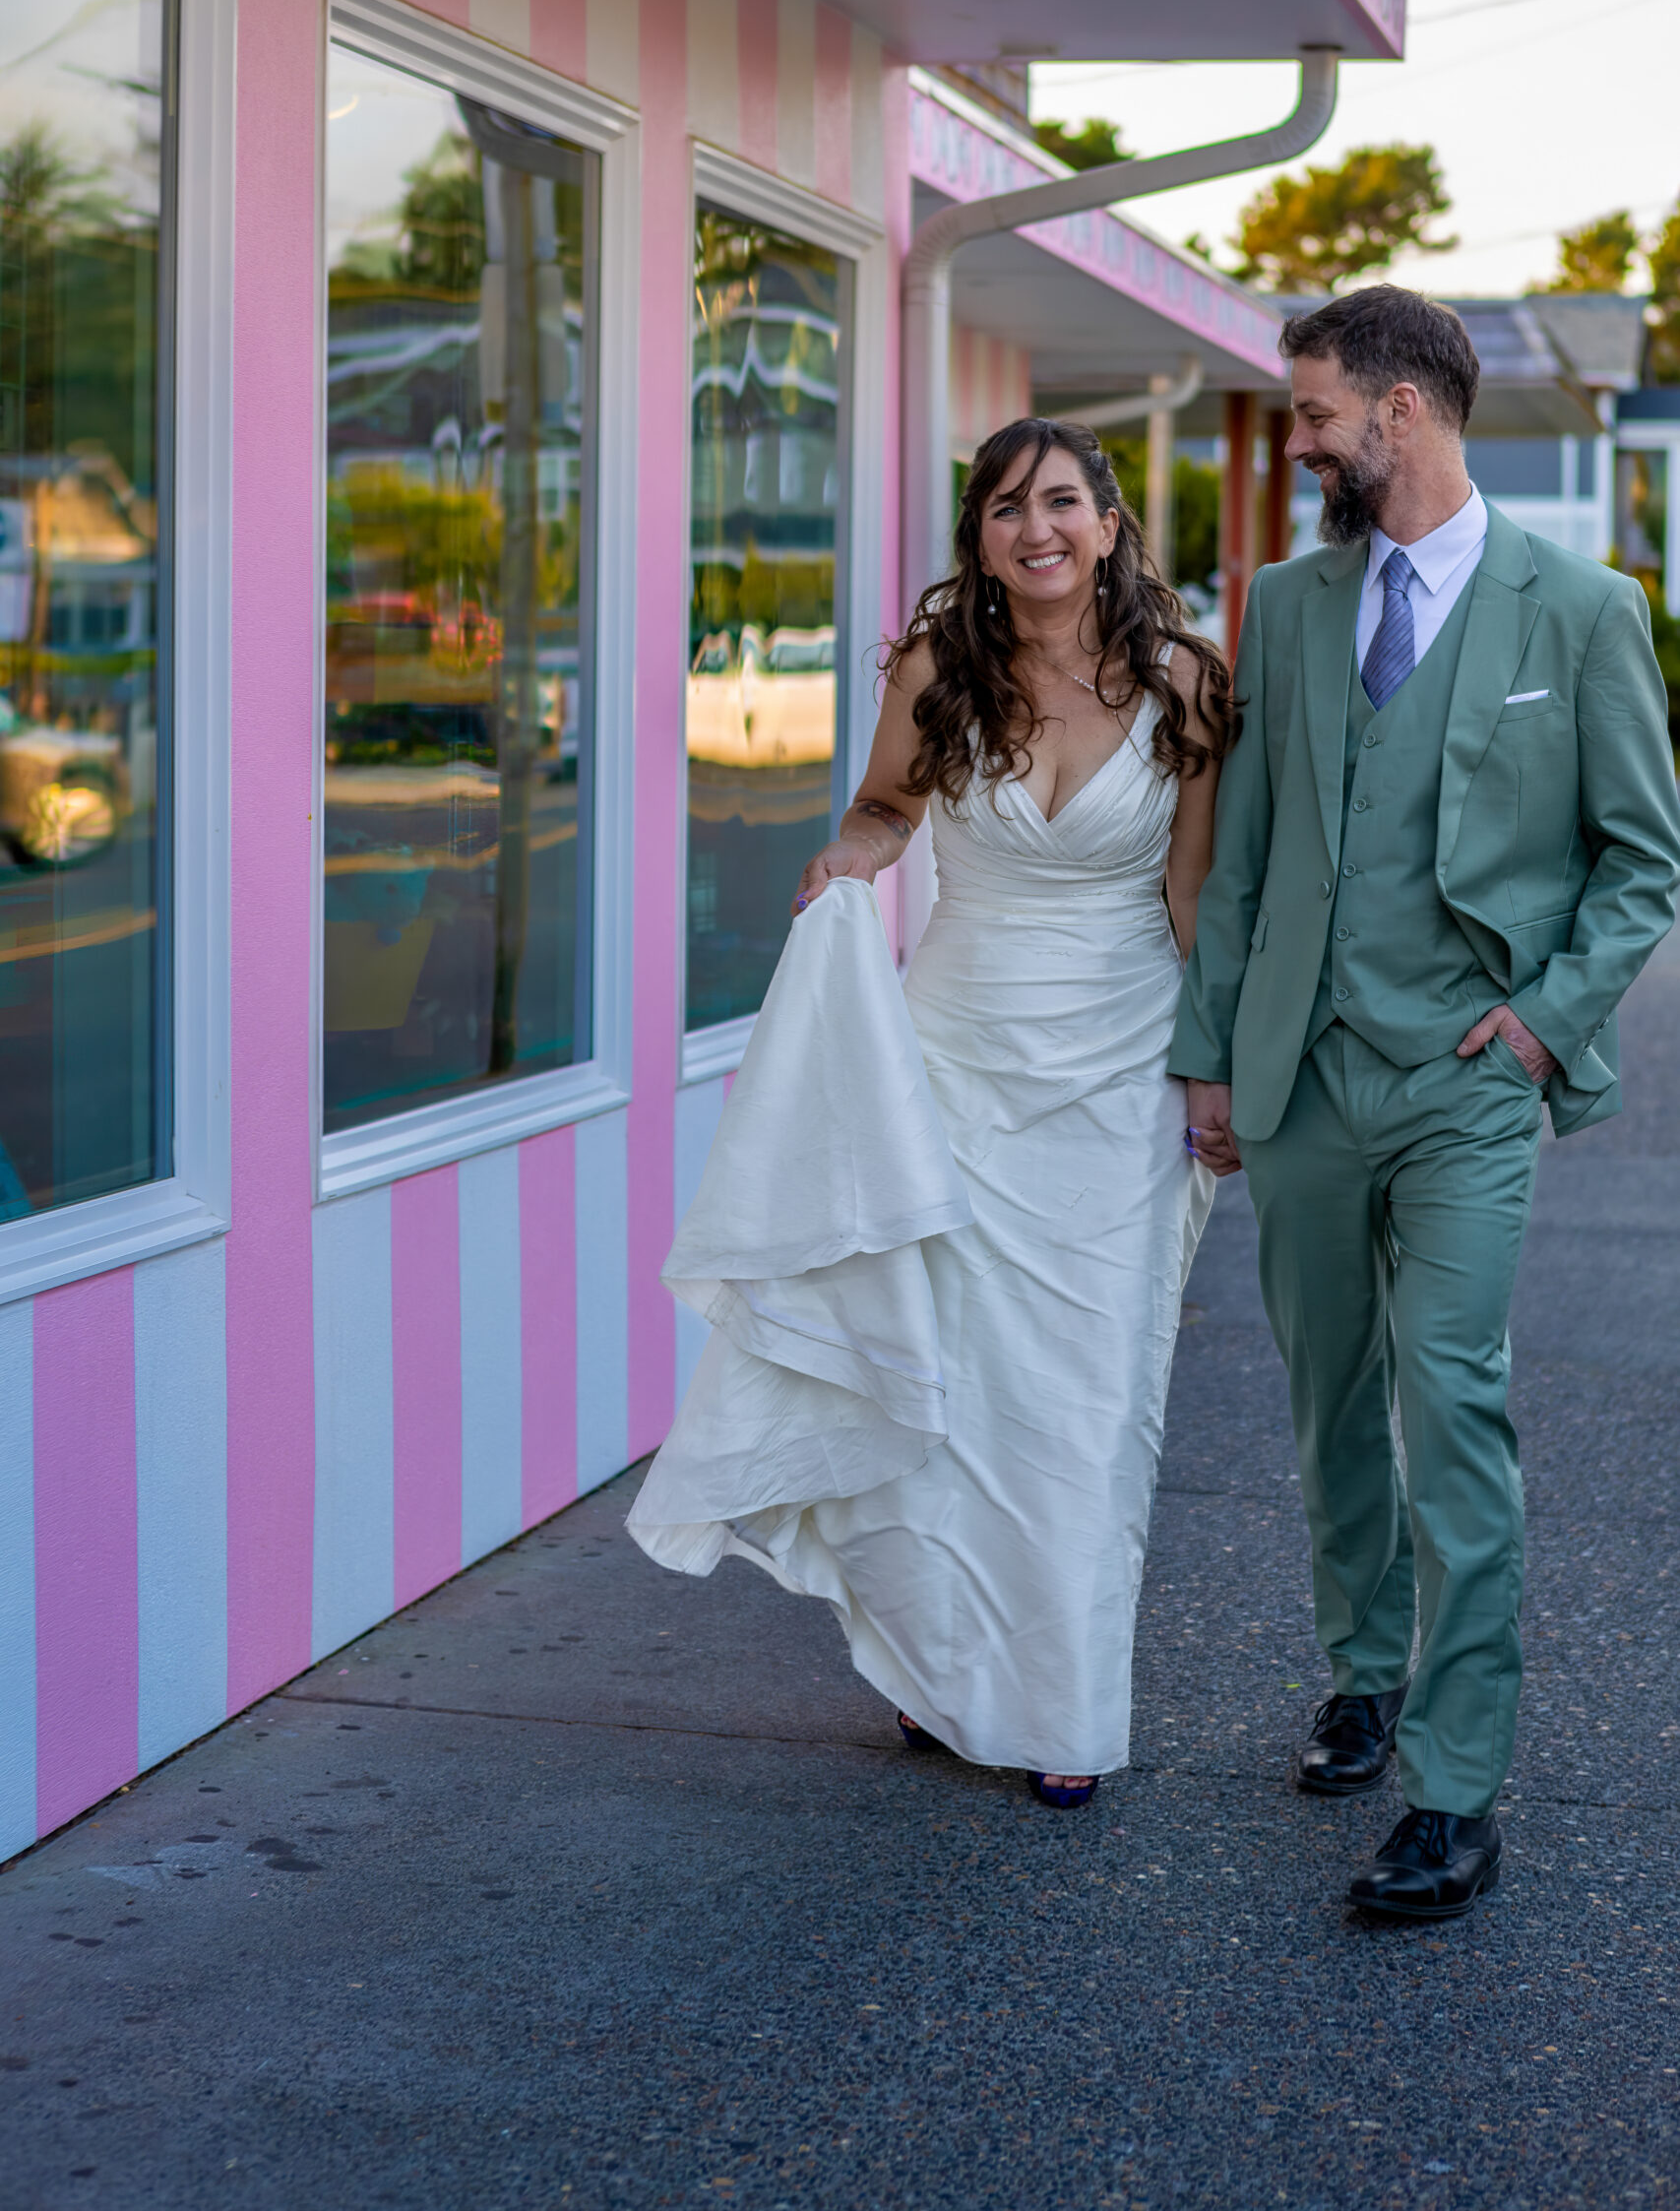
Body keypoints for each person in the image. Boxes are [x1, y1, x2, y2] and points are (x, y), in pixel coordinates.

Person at [630, 418, 1233, 1805]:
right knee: (952, 1390)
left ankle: (1061, 1703)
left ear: (1108, 518)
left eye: (1063, 502)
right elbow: (884, 810)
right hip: (954, 1062)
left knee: (1086, 1400)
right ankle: (937, 1667)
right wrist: (845, 863)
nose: (1038, 528)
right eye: (1008, 506)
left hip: (1120, 1070)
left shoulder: (1187, 679)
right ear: (978, 532)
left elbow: (1192, 892)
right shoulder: (937, 666)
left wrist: (1217, 1065)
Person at [1171, 285, 1680, 1917]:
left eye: (1315, 412)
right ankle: (1364, 1673)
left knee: (1451, 1408)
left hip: (1468, 1084)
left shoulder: (1582, 610)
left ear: (1401, 410)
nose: (1299, 437)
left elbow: (1642, 859)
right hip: (1306, 1075)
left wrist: (1542, 1025)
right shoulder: (1287, 602)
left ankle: (1459, 1786)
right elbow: (1244, 857)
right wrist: (1213, 1056)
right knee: (1328, 1404)